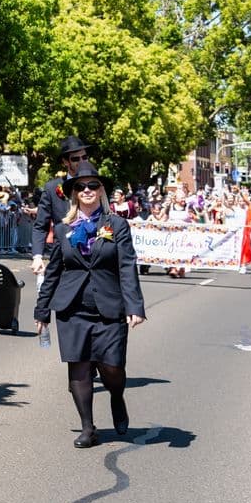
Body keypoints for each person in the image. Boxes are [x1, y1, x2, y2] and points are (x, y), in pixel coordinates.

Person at [35, 161, 146, 448]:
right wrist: (42, 309)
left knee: (112, 367)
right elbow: (55, 270)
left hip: (109, 306)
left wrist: (134, 306)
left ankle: (116, 396)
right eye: (81, 186)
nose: (87, 190)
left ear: (101, 191)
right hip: (73, 308)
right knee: (79, 369)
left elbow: (127, 266)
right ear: (73, 193)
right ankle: (88, 427)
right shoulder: (63, 229)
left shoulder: (117, 225)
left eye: (92, 185)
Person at [32, 136, 95, 276]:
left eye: (85, 157)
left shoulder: (96, 186)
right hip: (62, 256)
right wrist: (37, 256)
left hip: (91, 255)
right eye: (75, 159)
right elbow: (40, 226)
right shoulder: (52, 188)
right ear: (65, 162)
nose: (81, 161)